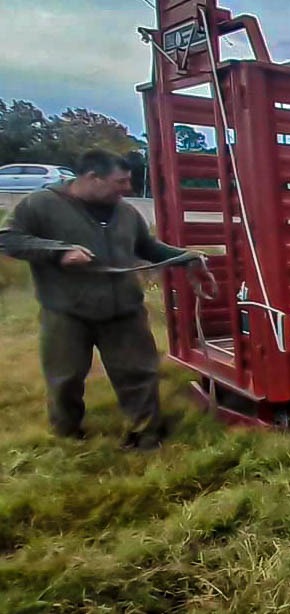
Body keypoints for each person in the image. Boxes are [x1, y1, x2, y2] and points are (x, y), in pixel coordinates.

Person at [1, 149, 214, 449]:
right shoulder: (41, 205)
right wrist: (58, 251)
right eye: (121, 182)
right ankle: (67, 433)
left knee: (139, 373)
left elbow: (147, 247)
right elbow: (7, 238)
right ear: (93, 178)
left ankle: (146, 434)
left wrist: (184, 257)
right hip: (67, 311)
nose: (127, 189)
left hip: (124, 310)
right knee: (66, 378)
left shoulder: (125, 211)